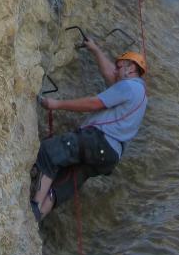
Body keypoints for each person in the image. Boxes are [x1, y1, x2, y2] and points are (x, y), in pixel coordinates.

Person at [32, 44, 148, 221]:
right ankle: (37, 218)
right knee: (65, 182)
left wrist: (57, 104)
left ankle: (33, 207)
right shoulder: (139, 95)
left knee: (49, 152)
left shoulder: (130, 87)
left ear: (131, 67)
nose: (114, 71)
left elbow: (94, 103)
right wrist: (95, 49)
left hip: (99, 141)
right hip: (109, 157)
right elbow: (109, 75)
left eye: (118, 66)